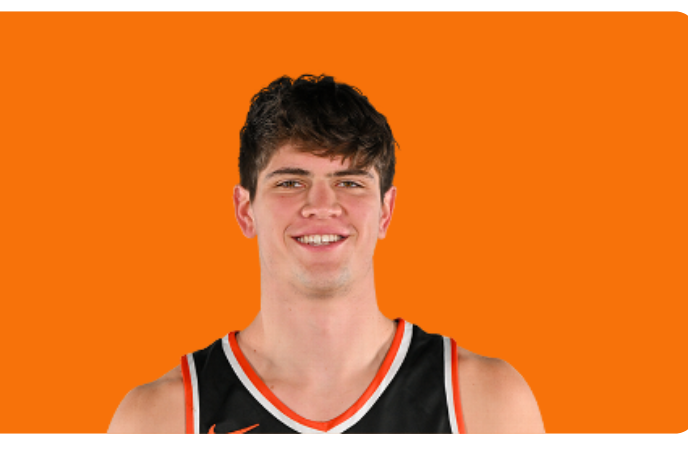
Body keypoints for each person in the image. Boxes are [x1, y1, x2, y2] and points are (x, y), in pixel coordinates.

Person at [107, 74, 545, 434]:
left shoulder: (484, 404)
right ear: (245, 210)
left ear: (386, 211)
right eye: (290, 182)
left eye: (349, 182)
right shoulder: (160, 419)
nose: (321, 205)